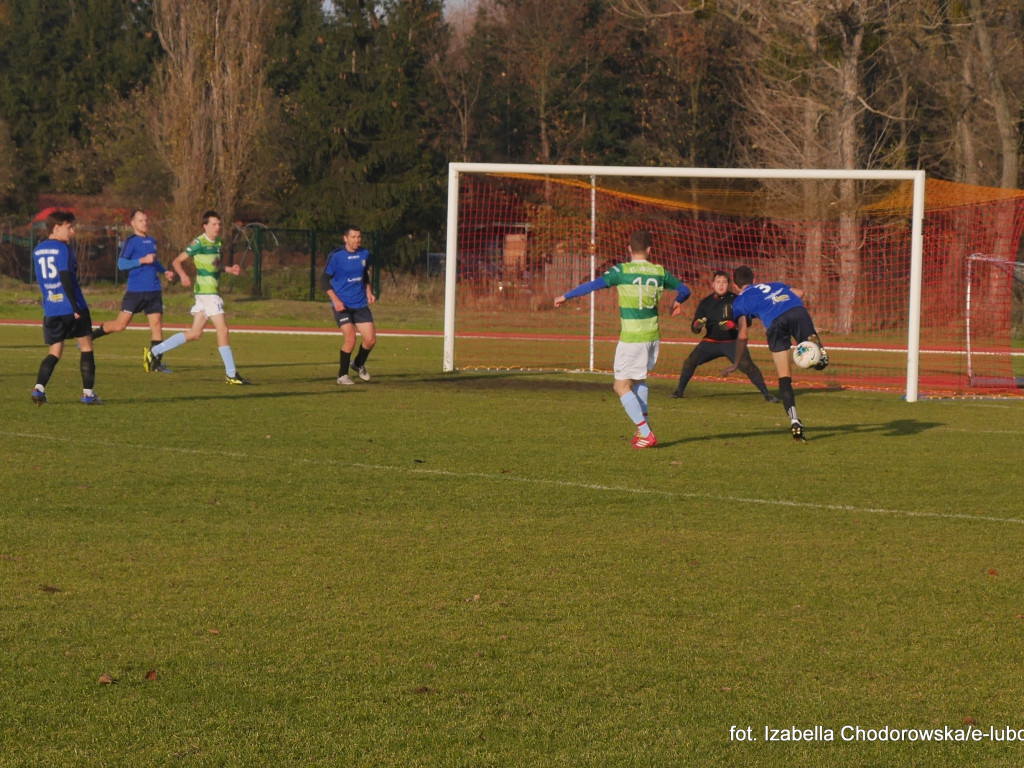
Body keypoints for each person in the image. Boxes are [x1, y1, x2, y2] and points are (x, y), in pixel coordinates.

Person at [554, 229, 690, 449]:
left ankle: (646, 432)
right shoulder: (659, 271)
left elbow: (592, 285)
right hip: (653, 336)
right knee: (638, 381)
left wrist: (565, 296)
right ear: (649, 250)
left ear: (629, 249)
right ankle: (642, 430)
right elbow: (685, 290)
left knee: (620, 386)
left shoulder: (621, 271)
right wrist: (677, 301)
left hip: (632, 338)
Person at [723, 265, 829, 442]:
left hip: (775, 324)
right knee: (816, 354)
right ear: (755, 279)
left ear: (735, 285)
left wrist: (735, 363)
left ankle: (794, 421)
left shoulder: (739, 301)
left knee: (784, 377)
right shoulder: (773, 284)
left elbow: (743, 334)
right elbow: (801, 293)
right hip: (797, 312)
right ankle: (818, 353)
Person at [143, 210, 249, 384]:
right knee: (223, 330)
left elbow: (216, 264)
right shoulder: (199, 242)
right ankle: (231, 374)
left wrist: (229, 269)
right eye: (214, 224)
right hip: (207, 293)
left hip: (208, 292)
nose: (217, 227)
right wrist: (183, 275)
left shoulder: (218, 243)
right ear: (205, 226)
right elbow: (177, 261)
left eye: (219, 224)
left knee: (194, 333)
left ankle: (153, 352)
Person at [670, 270, 779, 403]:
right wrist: (697, 325)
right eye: (718, 282)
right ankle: (678, 392)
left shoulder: (737, 300)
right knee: (689, 362)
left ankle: (767, 394)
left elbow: (747, 323)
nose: (721, 285)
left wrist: (733, 325)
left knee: (748, 366)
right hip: (710, 342)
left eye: (724, 282)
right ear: (712, 284)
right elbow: (695, 328)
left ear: (729, 284)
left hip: (732, 342)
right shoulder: (705, 302)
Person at [30, 210, 103, 405]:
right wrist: (75, 307)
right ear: (56, 227)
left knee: (54, 352)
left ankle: (39, 389)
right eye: (69, 227)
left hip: (51, 310)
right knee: (86, 346)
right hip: (72, 306)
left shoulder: (37, 250)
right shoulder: (63, 249)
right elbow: (64, 277)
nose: (72, 232)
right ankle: (88, 394)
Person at [92, 209, 175, 372]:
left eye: (145, 220)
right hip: (136, 291)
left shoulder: (152, 241)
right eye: (141, 220)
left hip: (154, 290)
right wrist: (142, 260)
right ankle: (90, 338)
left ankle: (156, 364)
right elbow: (121, 264)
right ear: (133, 223)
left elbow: (154, 261)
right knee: (120, 325)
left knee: (157, 325)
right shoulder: (130, 242)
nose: (144, 223)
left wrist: (164, 270)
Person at [322, 225, 376, 385]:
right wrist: (336, 300)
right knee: (351, 337)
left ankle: (358, 364)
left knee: (371, 340)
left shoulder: (365, 254)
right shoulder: (336, 256)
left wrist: (369, 291)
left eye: (359, 237)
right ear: (345, 238)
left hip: (359, 303)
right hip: (342, 305)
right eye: (353, 237)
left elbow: (364, 275)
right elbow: (324, 280)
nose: (357, 240)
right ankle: (342, 376)